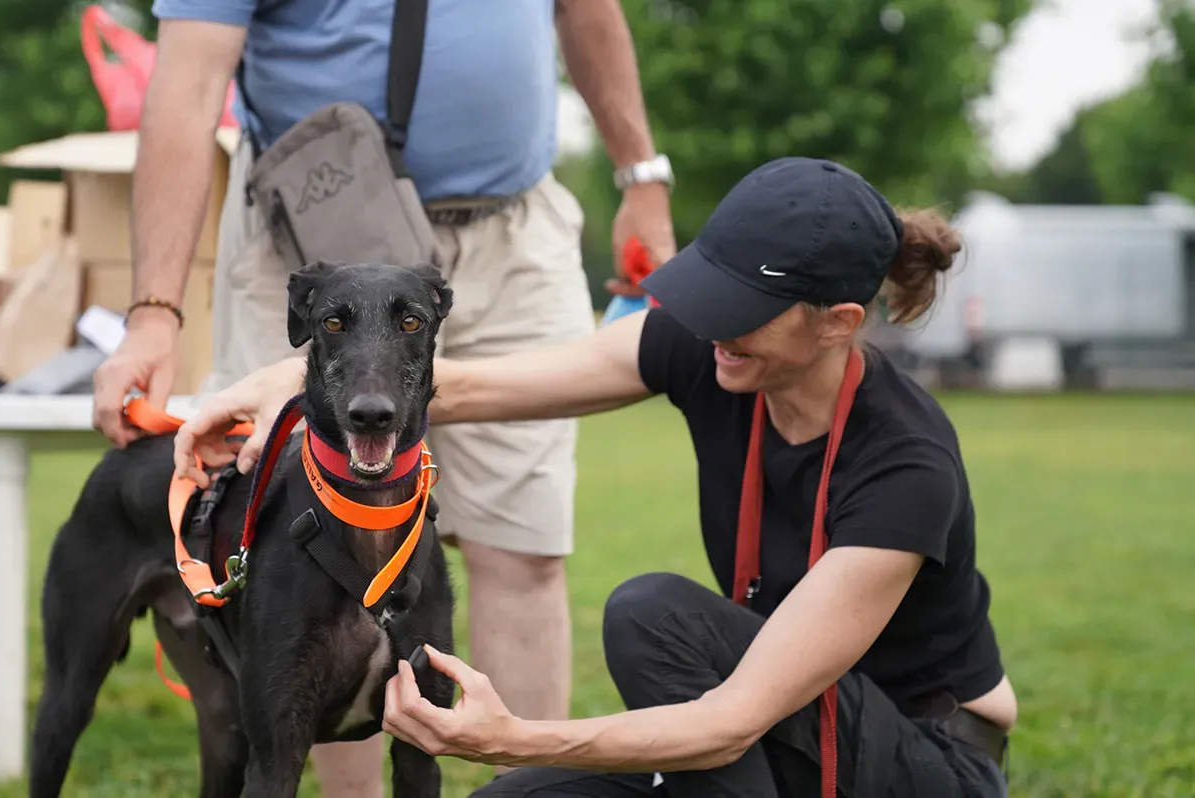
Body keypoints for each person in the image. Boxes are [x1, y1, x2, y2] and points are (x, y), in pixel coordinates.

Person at [173, 157, 1018, 797]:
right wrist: (266, 395)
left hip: (922, 758)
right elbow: (471, 386)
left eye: (739, 315)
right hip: (791, 730)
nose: (711, 331)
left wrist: (512, 736)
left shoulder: (907, 467)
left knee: (653, 617)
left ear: (838, 324)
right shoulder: (720, 357)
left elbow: (729, 720)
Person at [88, 1, 676, 794]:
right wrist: (154, 313)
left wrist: (640, 173)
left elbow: (585, 7)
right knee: (308, 563)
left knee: (525, 552)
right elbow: (187, 87)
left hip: (513, 232)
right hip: (310, 239)